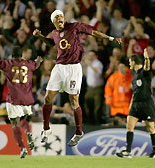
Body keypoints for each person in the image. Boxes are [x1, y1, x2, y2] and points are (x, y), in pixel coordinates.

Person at [33, 10, 121, 146]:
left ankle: (79, 132)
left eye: (61, 15)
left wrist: (110, 38)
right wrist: (40, 37)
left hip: (73, 68)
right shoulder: (54, 33)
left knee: (74, 101)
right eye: (57, 17)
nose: (60, 17)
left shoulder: (74, 27)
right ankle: (46, 129)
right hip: (59, 67)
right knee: (47, 98)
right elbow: (53, 44)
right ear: (53, 21)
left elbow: (93, 32)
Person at [0, 46, 43, 159]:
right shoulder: (29, 64)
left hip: (14, 98)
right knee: (25, 119)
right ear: (22, 55)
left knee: (15, 124)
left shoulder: (8, 63)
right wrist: (38, 61)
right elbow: (36, 64)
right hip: (27, 98)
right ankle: (28, 133)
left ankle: (22, 148)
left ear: (12, 55)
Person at [116, 49, 155, 158]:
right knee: (129, 126)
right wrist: (131, 103)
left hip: (146, 104)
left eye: (130, 61)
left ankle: (154, 152)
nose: (129, 64)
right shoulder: (134, 75)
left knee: (150, 128)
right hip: (135, 105)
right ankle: (128, 151)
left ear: (134, 62)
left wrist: (146, 58)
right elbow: (135, 91)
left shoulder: (144, 72)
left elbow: (147, 67)